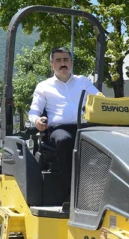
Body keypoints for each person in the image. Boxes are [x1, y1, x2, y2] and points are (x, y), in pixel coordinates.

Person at [28, 46, 101, 186]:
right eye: (58, 60)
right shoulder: (43, 86)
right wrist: (37, 120)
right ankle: (70, 188)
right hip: (59, 129)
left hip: (83, 127)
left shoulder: (83, 81)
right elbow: (34, 112)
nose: (63, 63)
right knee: (64, 140)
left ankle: (97, 184)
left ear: (71, 62)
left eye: (66, 59)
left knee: (101, 140)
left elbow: (99, 99)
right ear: (52, 64)